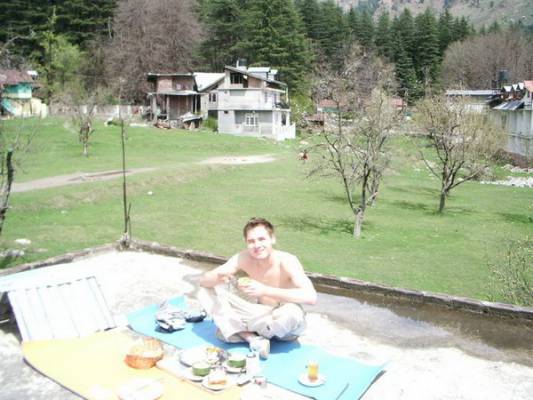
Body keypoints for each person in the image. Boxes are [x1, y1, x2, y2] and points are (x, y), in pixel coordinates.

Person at [198, 217, 317, 359]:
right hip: (259, 315)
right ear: (246, 243)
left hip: (283, 323)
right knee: (205, 292)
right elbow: (203, 282)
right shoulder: (243, 257)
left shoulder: (287, 260)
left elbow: (311, 297)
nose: (257, 245)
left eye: (261, 239)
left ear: (272, 239)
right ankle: (251, 338)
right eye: (251, 241)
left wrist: (265, 290)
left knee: (292, 313)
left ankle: (237, 331)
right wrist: (218, 277)